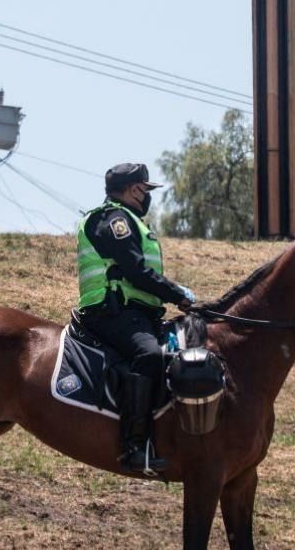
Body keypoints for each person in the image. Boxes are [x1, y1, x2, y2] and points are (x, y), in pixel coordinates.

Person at [74, 162, 199, 474]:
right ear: (134, 190)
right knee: (149, 354)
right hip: (111, 312)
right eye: (146, 190)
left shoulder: (127, 220)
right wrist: (177, 295)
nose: (147, 197)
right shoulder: (115, 220)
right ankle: (134, 446)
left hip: (135, 314)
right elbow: (135, 271)